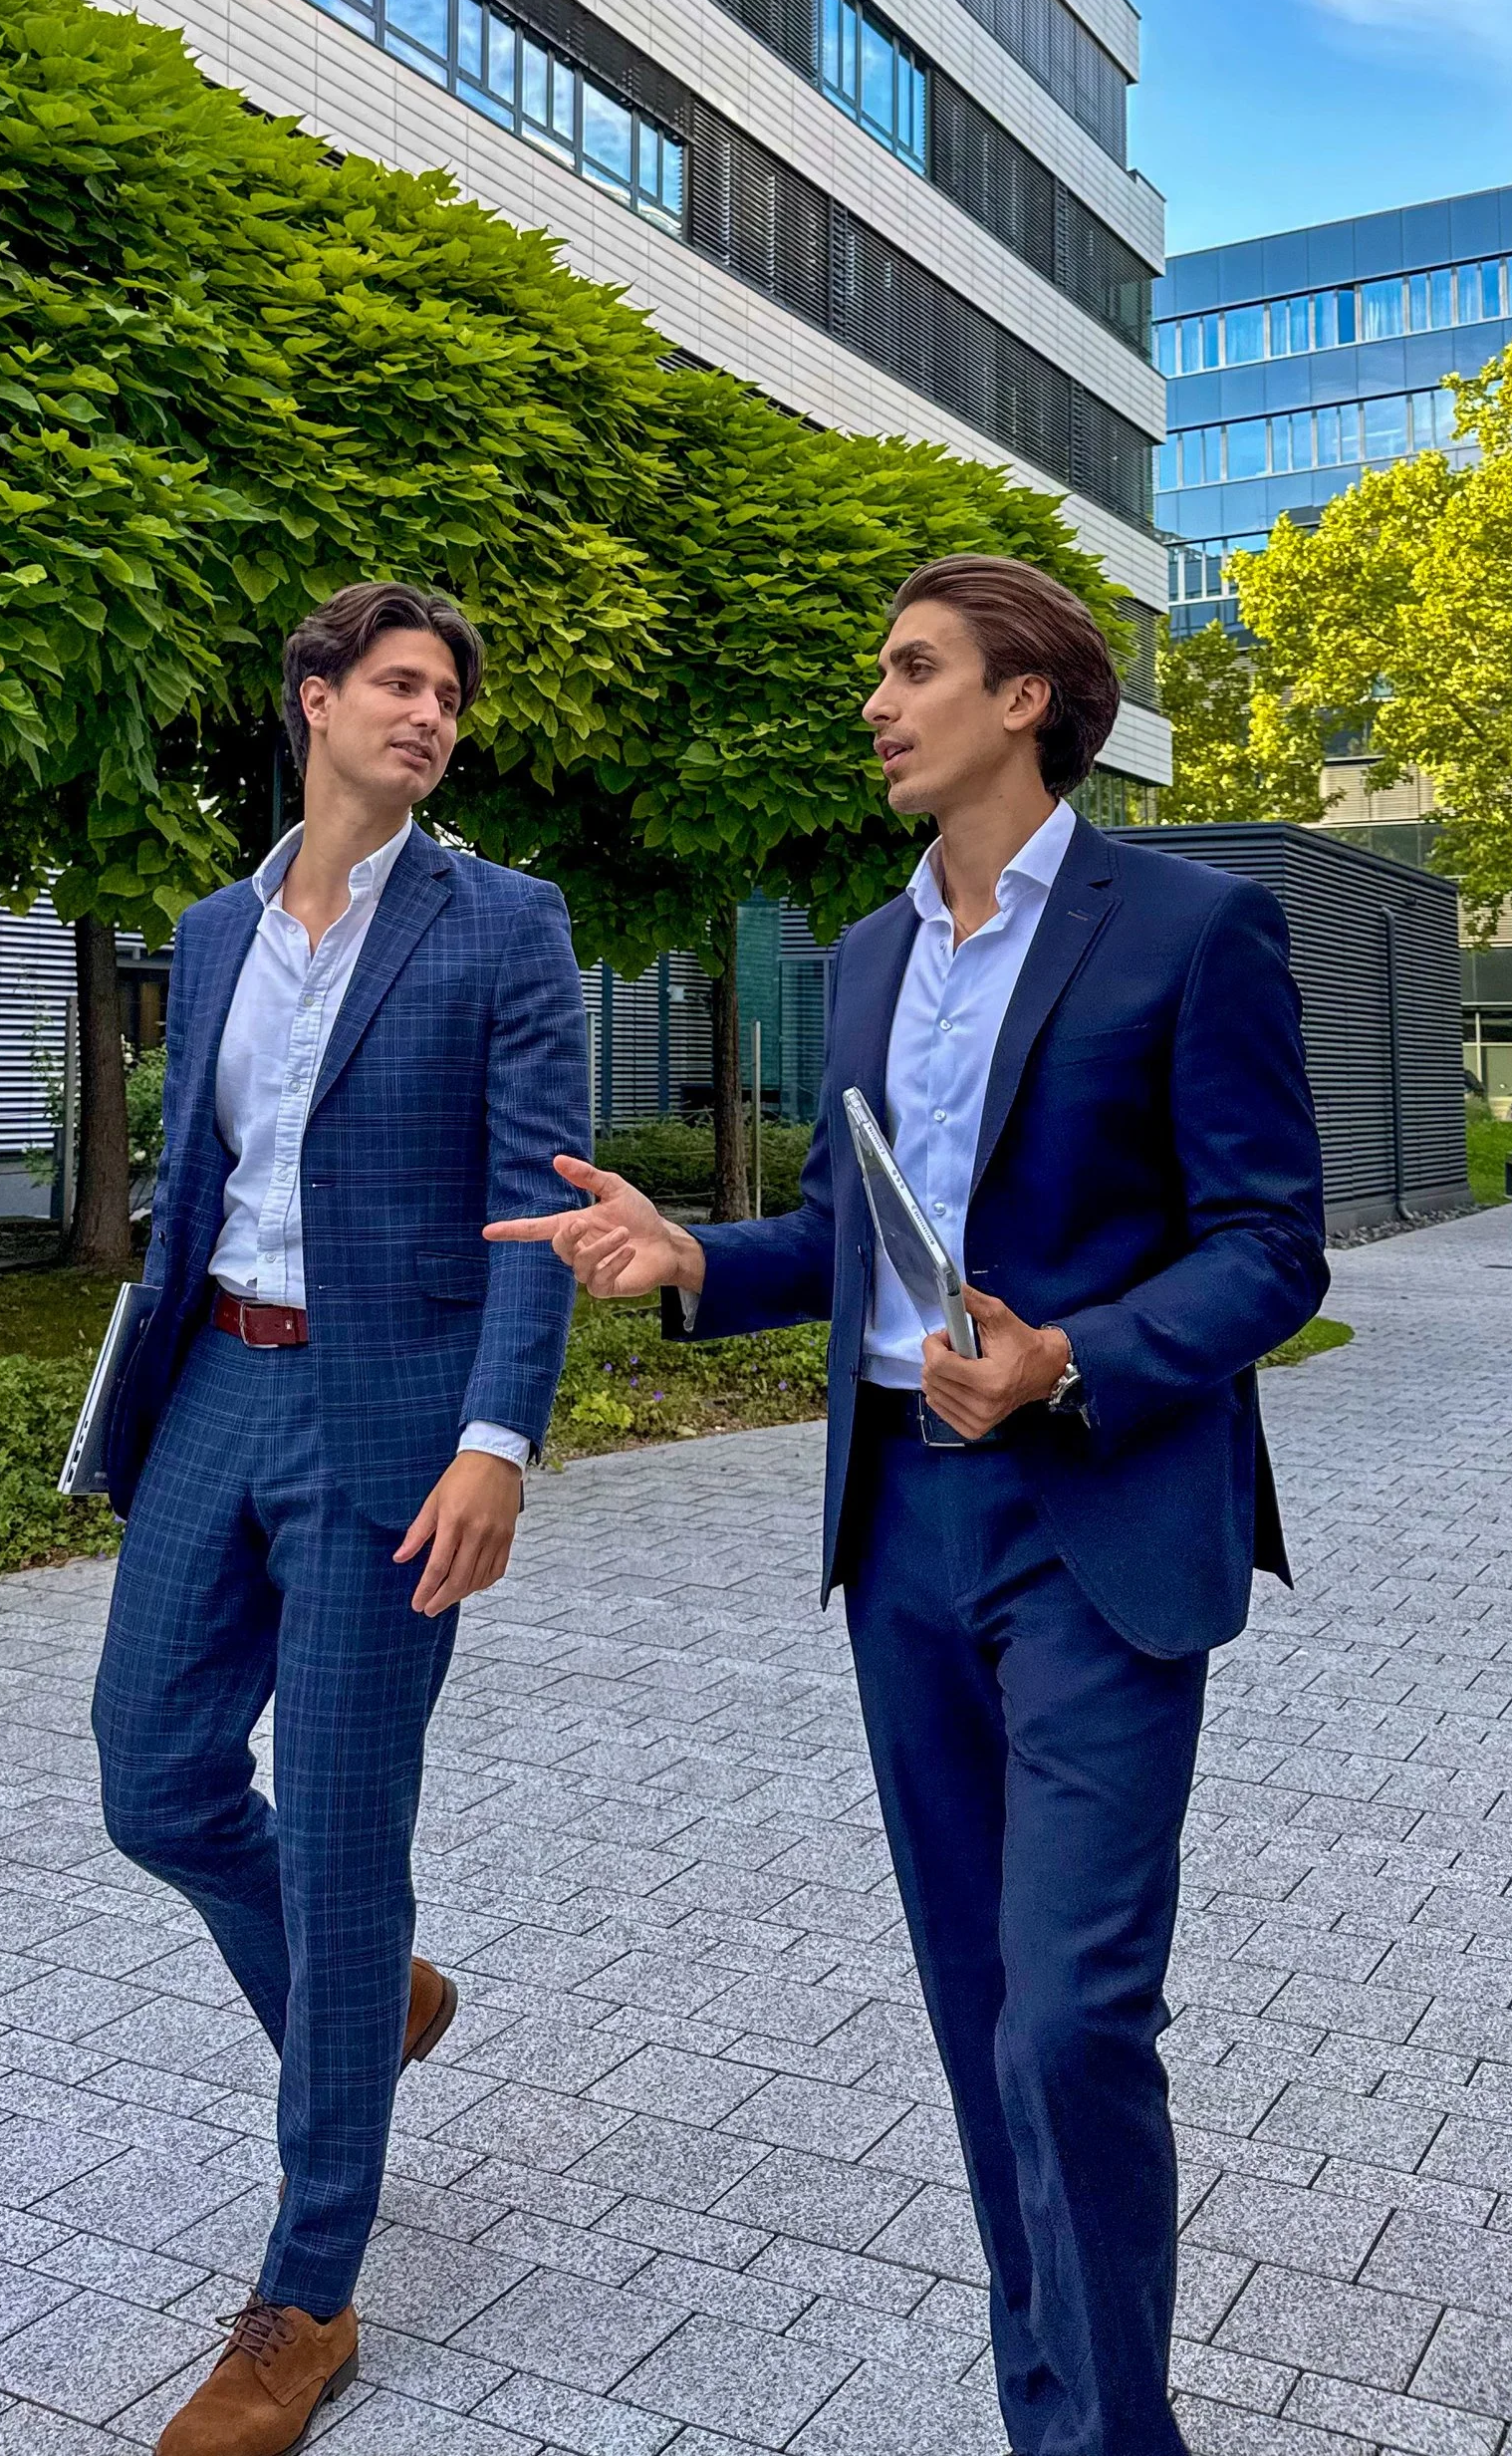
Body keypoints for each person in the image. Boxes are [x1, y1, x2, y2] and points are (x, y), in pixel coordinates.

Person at [490, 553, 1327, 2456]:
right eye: (881, 671)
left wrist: (1075, 1355)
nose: (879, 703)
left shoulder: (1189, 928)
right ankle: (1057, 2415)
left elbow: (1278, 1247)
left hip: (1097, 1522)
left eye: (914, 668)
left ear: (1026, 696)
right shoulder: (863, 952)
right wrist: (691, 1254)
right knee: (977, 2018)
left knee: (1071, 2022)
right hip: (905, 1539)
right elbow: (844, 1238)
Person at [93, 581, 590, 2456]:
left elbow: (538, 1198)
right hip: (220, 1381)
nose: (430, 716)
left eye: (449, 695)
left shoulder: (502, 924)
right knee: (151, 1773)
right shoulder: (219, 930)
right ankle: (367, 1995)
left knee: (348, 1827)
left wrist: (498, 1441)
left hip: (395, 1423)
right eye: (396, 685)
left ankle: (306, 2300)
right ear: (313, 702)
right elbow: (196, 1172)